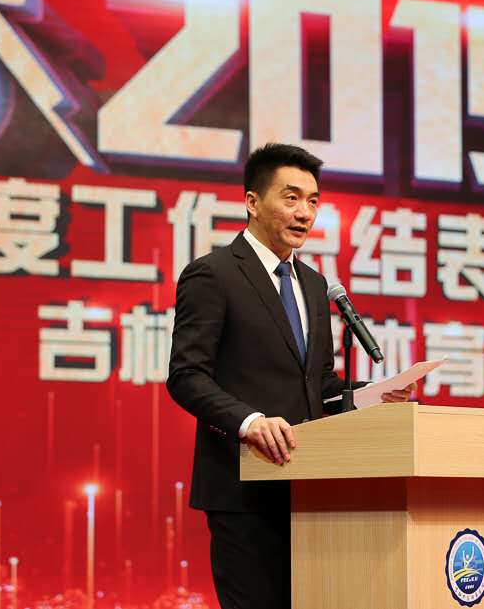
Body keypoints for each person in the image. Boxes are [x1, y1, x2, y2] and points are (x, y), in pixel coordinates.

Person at [166, 143, 414, 609]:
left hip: (312, 491)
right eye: (291, 197)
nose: (305, 213)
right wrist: (248, 422)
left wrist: (374, 396)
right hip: (244, 489)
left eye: (313, 201)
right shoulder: (213, 275)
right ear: (253, 202)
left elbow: (318, 385)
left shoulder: (315, 285)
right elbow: (186, 375)